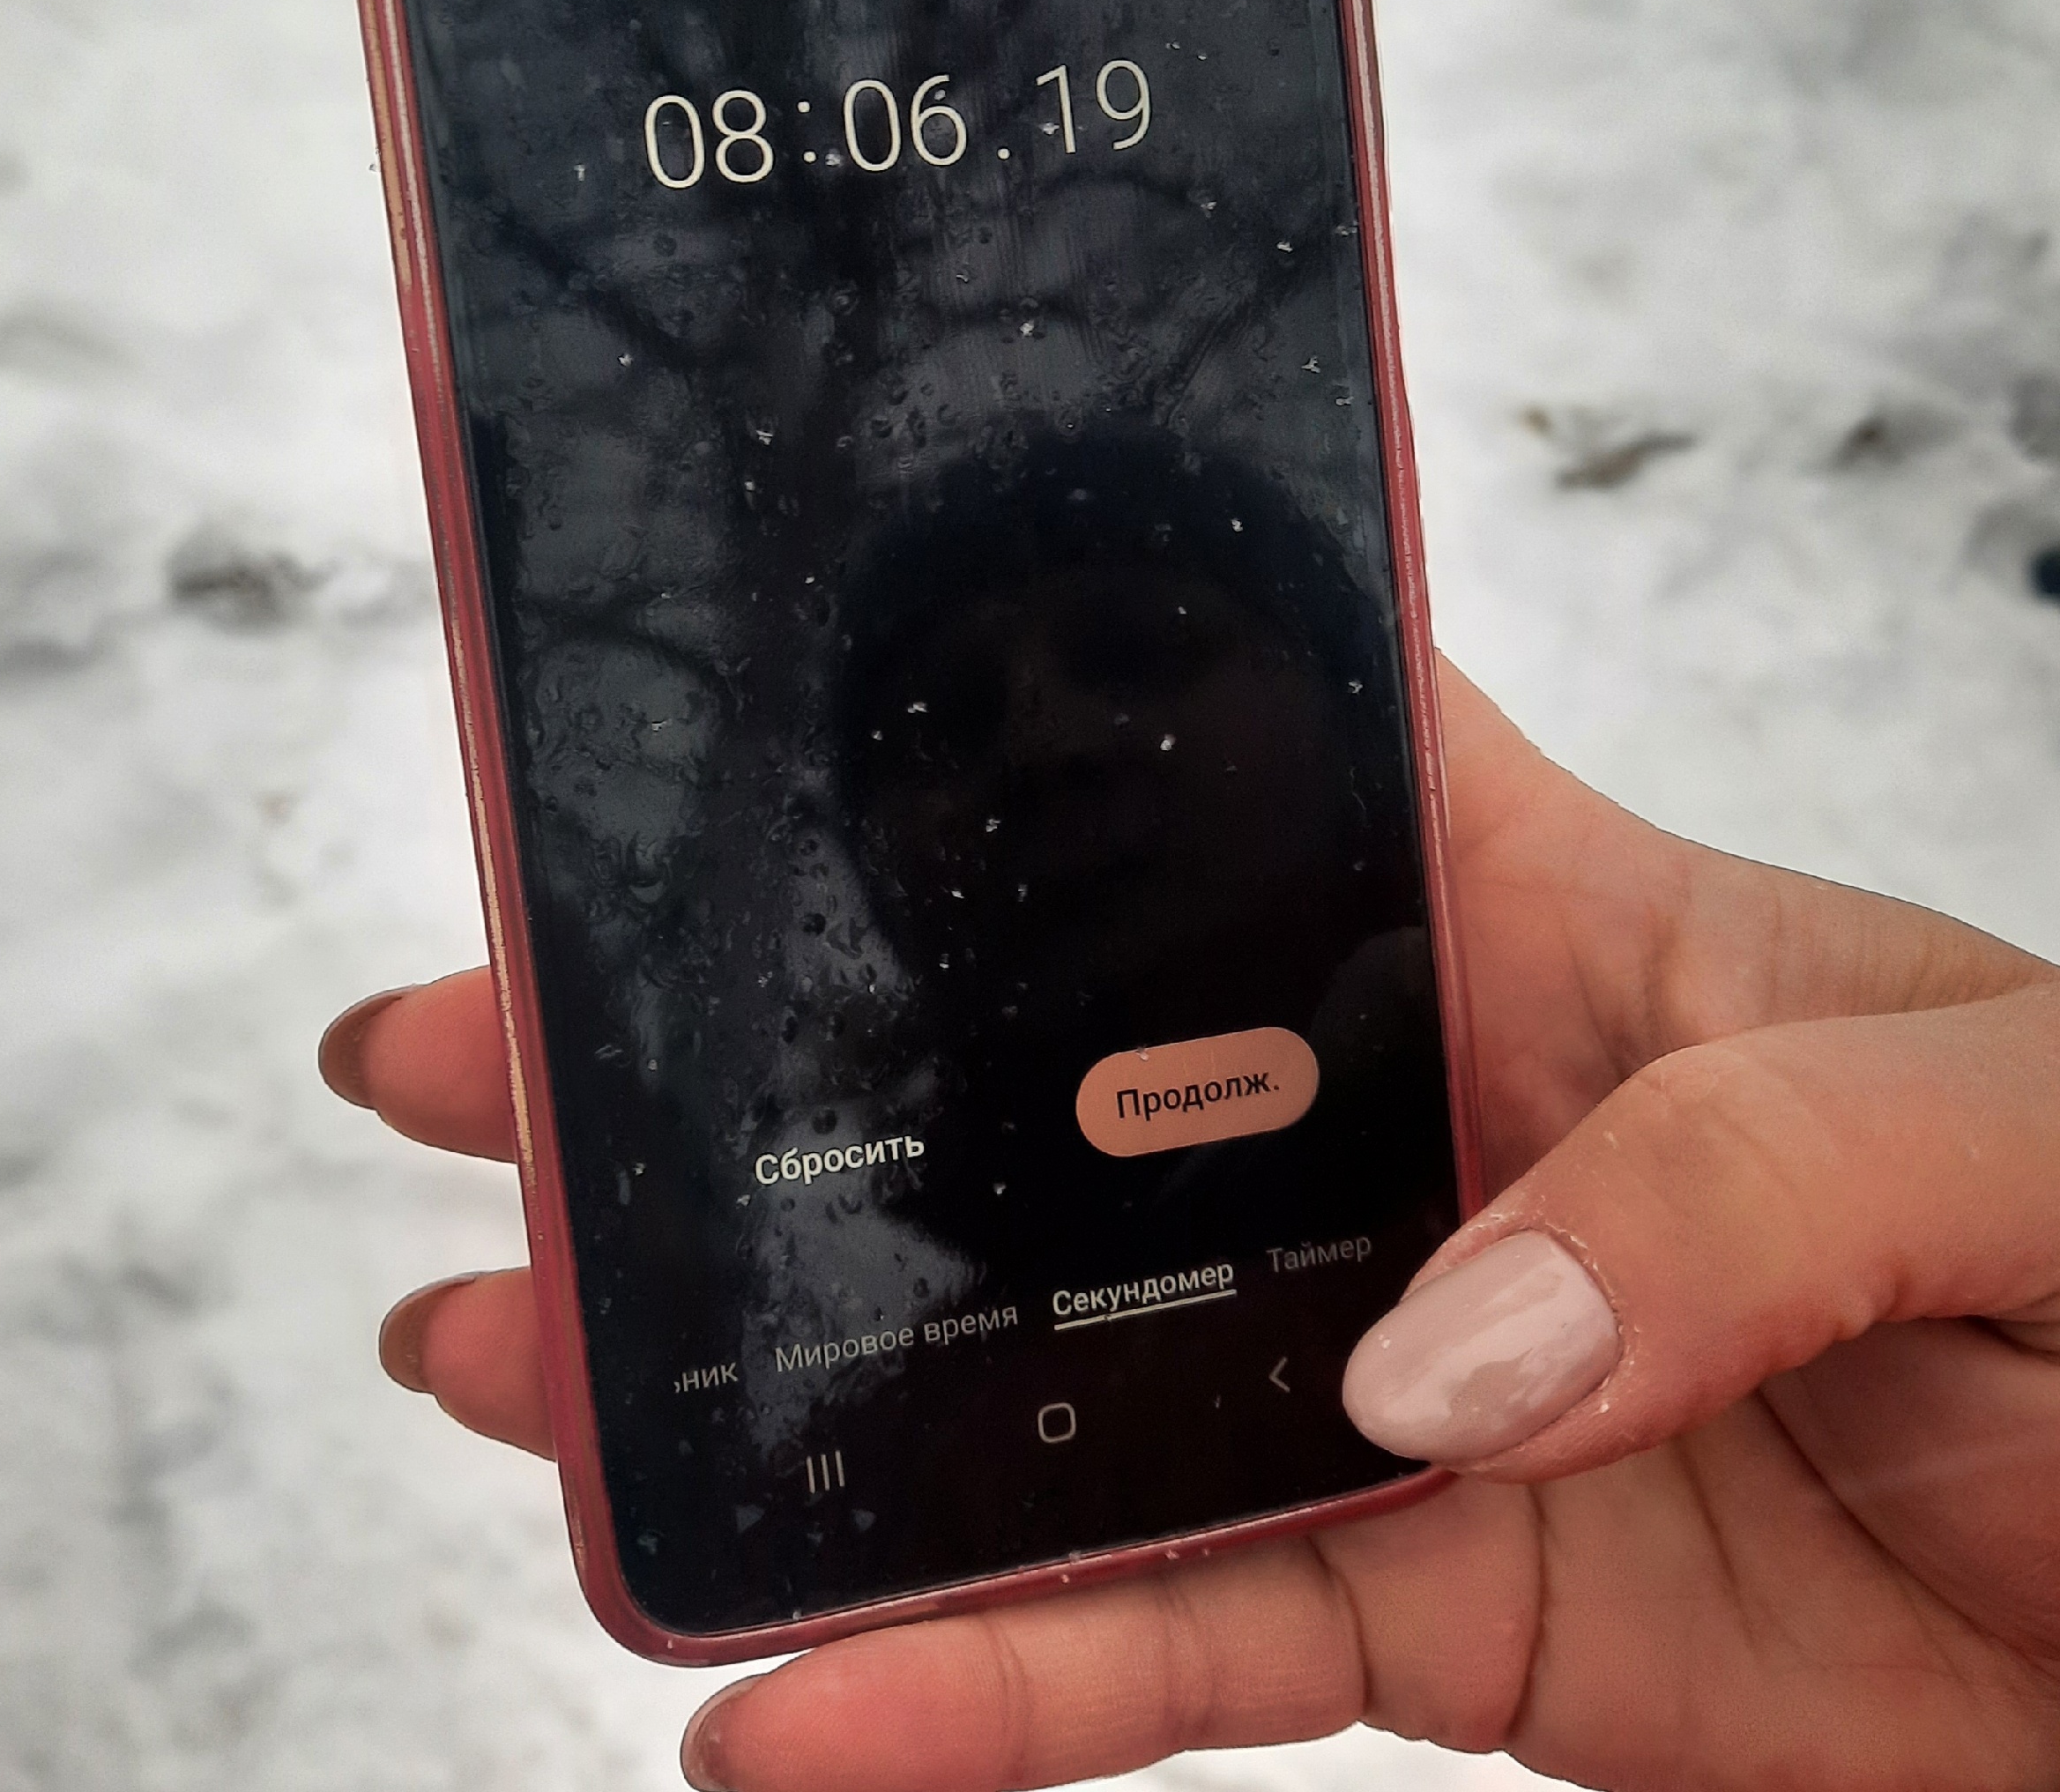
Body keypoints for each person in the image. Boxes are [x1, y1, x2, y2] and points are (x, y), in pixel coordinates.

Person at [320, 661, 2060, 1790]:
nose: (1048, 741)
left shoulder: (1540, 1106)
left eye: (1137, 647)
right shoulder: (915, 1398)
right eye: (943, 719)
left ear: (1347, 730)